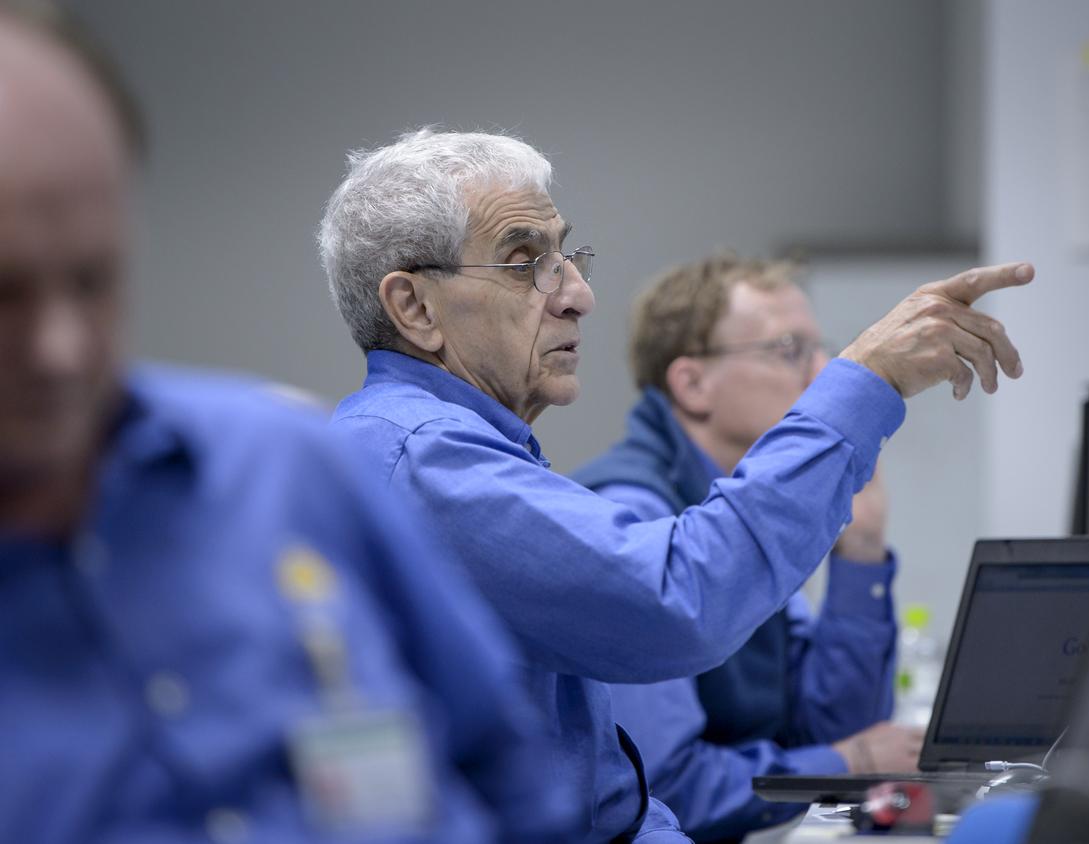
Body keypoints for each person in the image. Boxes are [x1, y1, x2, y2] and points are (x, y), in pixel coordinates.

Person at [320, 126, 1033, 842]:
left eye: (567, 256)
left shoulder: (459, 450)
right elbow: (680, 603)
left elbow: (615, 792)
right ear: (415, 309)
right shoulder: (424, 460)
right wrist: (864, 387)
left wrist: (861, 545)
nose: (577, 295)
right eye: (523, 263)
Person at [0, 6, 571, 842]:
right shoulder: (407, 449)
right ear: (411, 305)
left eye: (93, 280)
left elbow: (510, 772)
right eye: (4, 293)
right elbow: (674, 600)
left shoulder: (285, 466)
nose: (60, 349)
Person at [573, 255, 922, 842]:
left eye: (820, 348)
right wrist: (852, 762)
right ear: (692, 384)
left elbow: (832, 726)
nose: (824, 374)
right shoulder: (635, 516)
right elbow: (662, 784)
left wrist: (859, 549)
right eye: (789, 350)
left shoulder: (741, 507)